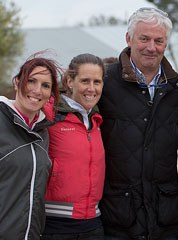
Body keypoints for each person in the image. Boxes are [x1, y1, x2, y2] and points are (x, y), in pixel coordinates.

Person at [97, 7, 178, 240]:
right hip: (117, 219)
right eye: (144, 39)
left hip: (165, 220)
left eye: (159, 40)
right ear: (129, 39)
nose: (151, 47)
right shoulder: (104, 83)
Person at [41, 53, 106, 240]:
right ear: (70, 81)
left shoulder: (96, 120)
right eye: (85, 81)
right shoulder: (49, 114)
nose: (92, 89)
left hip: (93, 223)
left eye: (97, 82)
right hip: (55, 225)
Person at [0, 53, 61, 239]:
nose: (37, 90)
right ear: (17, 82)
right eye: (31, 81)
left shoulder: (43, 132)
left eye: (45, 86)